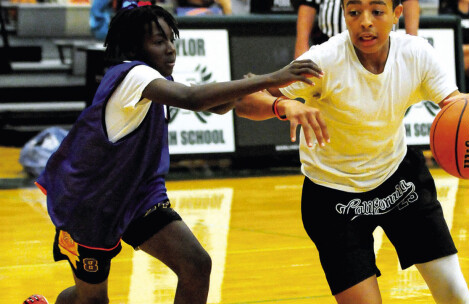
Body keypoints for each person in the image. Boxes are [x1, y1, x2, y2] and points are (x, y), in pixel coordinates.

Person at [27, 3, 323, 304]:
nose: (170, 49)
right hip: (91, 202)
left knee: (196, 265)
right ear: (134, 47)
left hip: (136, 196)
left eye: (171, 39)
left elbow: (219, 104)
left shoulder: (157, 82)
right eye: (159, 42)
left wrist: (271, 100)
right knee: (90, 300)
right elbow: (194, 99)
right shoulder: (132, 75)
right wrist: (273, 78)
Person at [235, 0, 469, 302]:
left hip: (398, 181)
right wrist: (281, 105)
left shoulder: (416, 53)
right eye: (354, 13)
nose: (365, 22)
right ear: (344, 16)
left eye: (377, 12)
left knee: (457, 297)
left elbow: (454, 105)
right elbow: (245, 98)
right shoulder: (323, 60)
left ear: (396, 14)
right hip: (333, 197)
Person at [293, 0, 419, 58]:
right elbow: (308, 4)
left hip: (381, 48)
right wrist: (301, 46)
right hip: (330, 46)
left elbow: (410, 1)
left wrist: (412, 42)